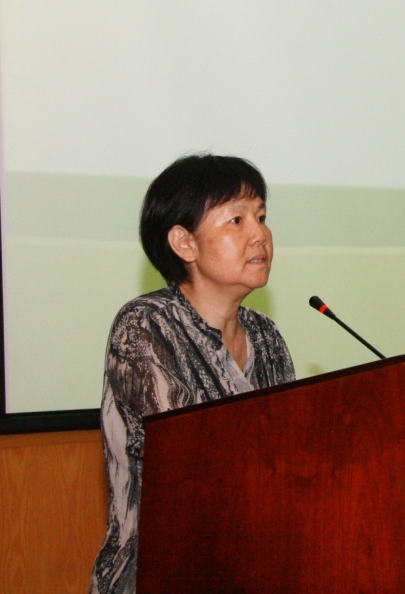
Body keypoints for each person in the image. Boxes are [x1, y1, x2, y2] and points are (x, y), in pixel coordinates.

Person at [90, 154, 295, 594]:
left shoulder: (266, 336)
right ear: (185, 243)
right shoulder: (146, 326)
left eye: (261, 217)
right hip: (162, 573)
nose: (260, 234)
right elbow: (191, 464)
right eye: (237, 220)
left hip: (256, 568)